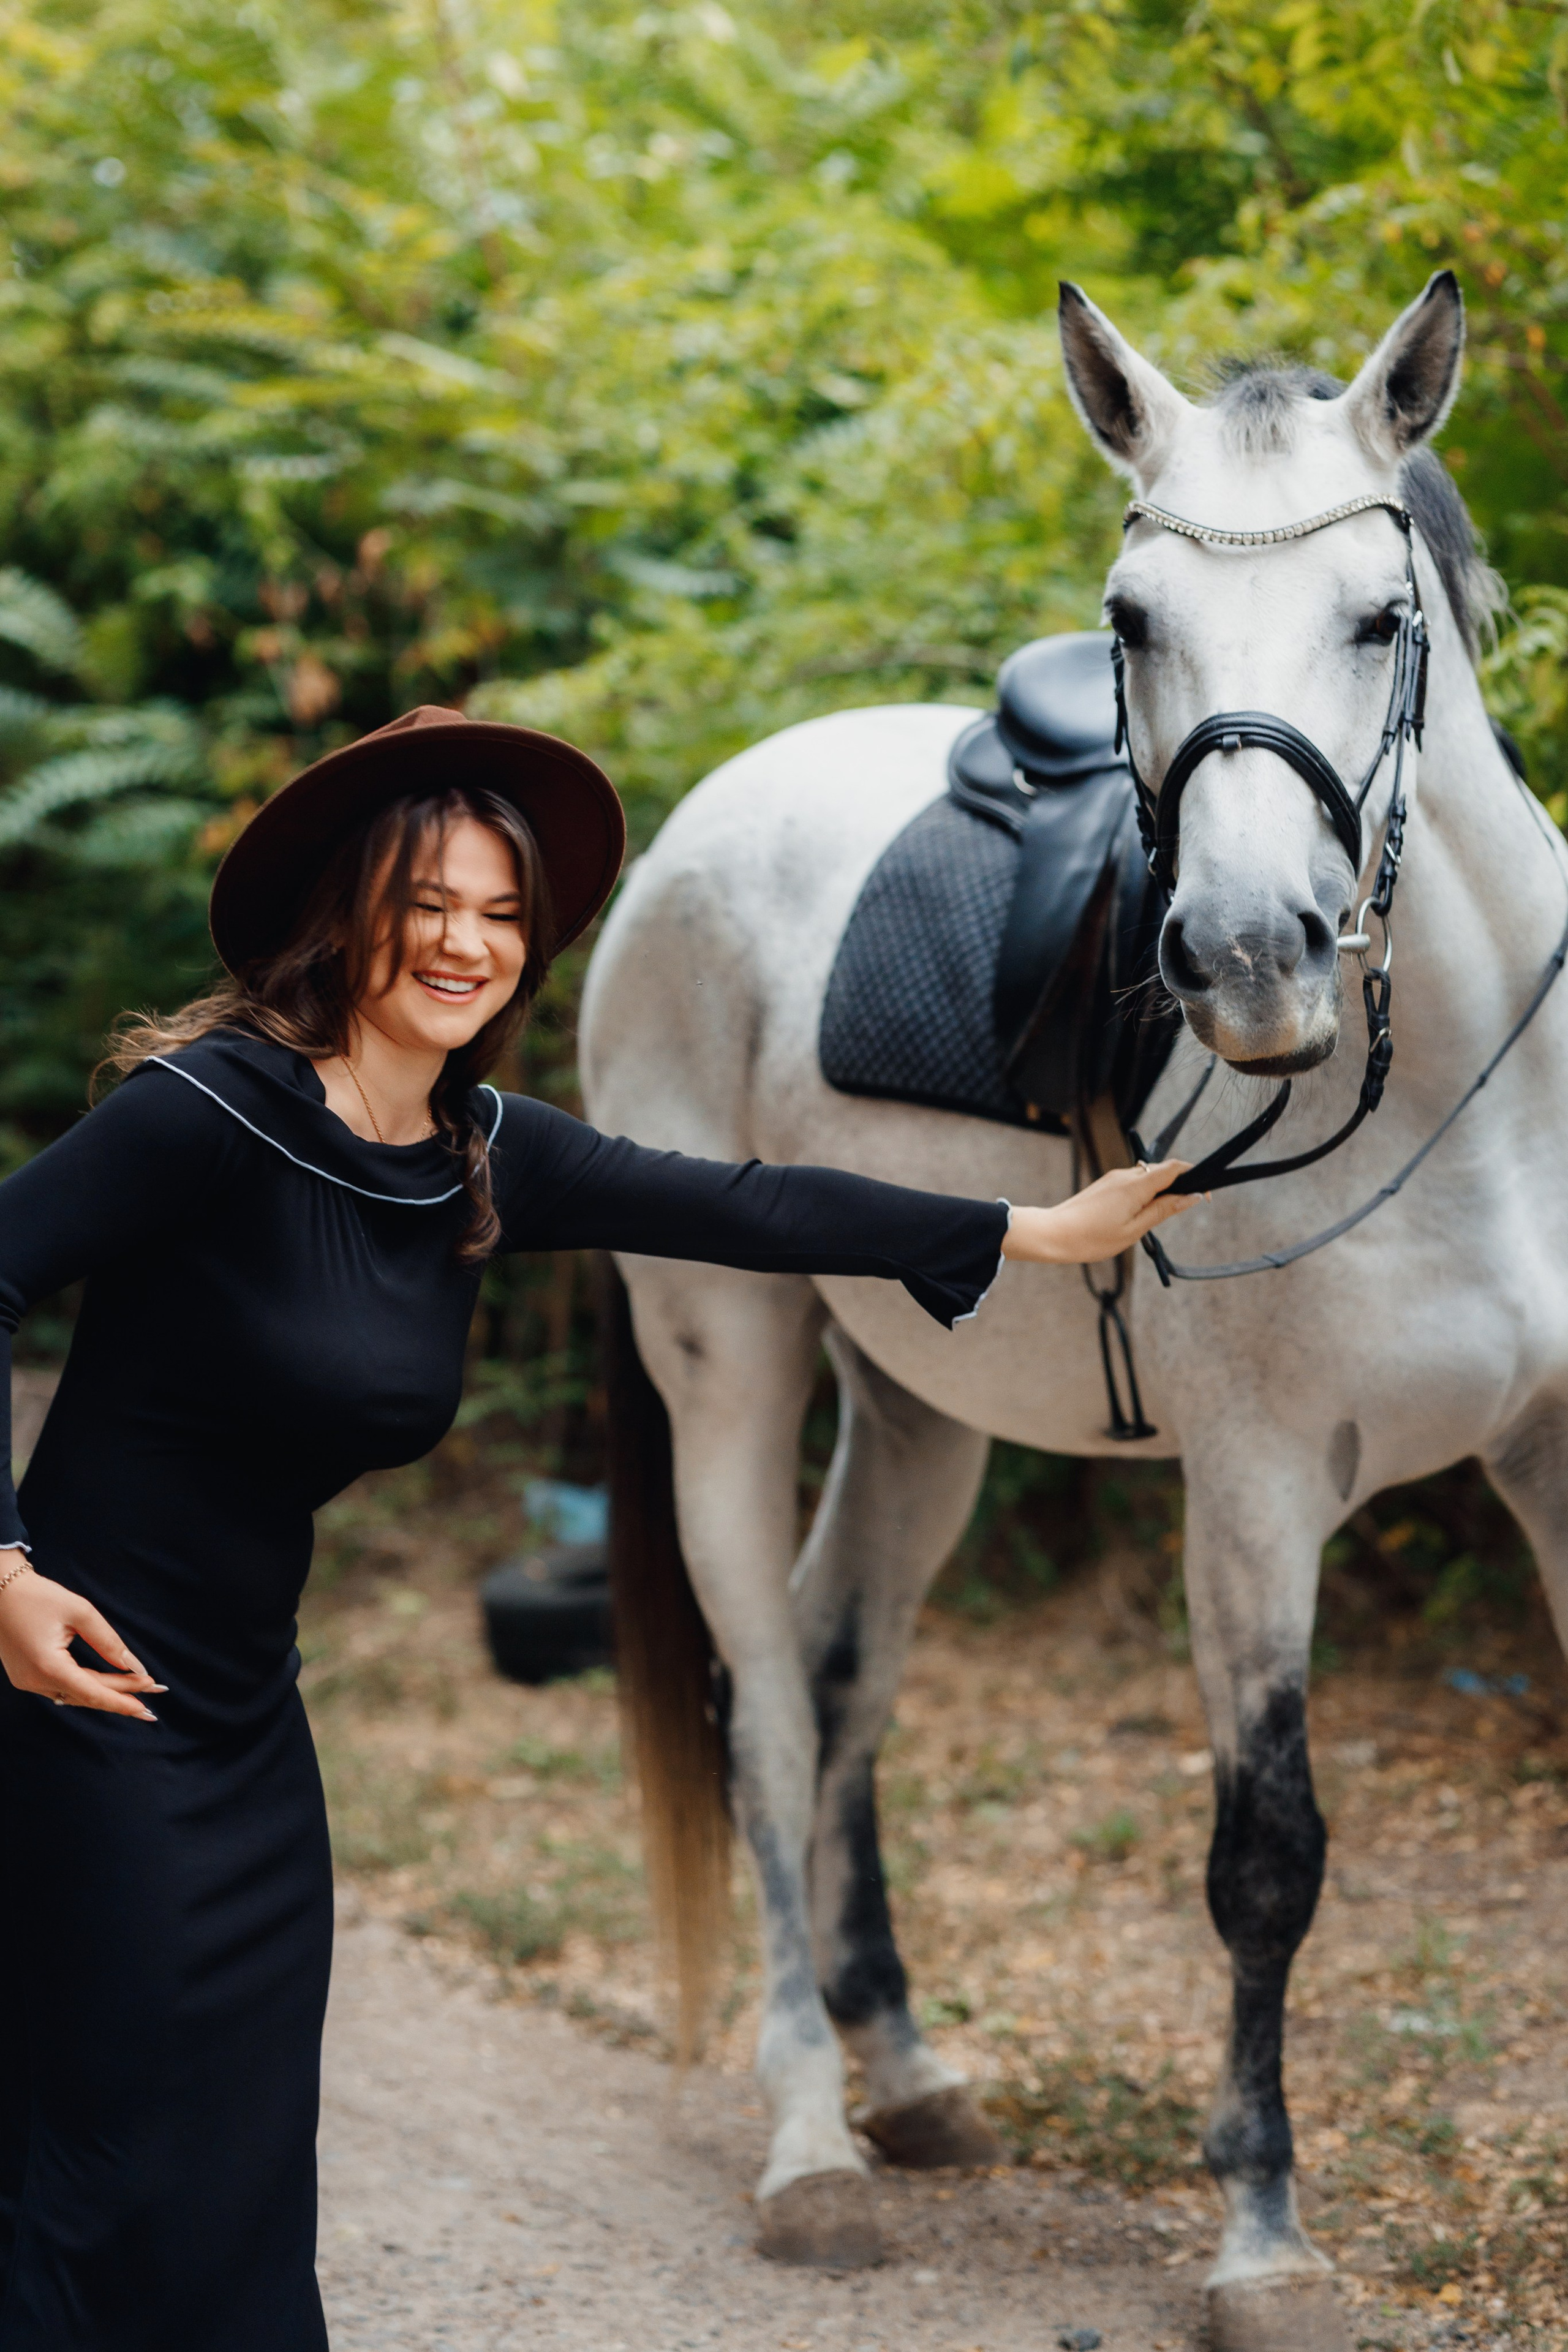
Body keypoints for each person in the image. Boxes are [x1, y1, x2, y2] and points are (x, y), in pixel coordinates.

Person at [0, 704, 1192, 2348]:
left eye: (501, 915)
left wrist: (1028, 1228)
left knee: (238, 2152)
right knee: (106, 2142)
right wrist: (1, 1574)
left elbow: (750, 1204)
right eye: (432, 907)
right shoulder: (209, 1114)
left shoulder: (479, 1156)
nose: (469, 944)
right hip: (73, 1701)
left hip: (244, 1719)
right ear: (353, 915)